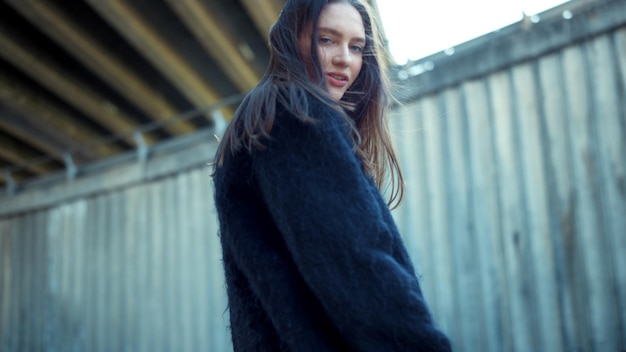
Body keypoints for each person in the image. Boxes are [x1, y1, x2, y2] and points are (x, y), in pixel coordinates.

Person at [212, 0, 452, 350]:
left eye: (356, 47)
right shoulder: (296, 113)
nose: (345, 59)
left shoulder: (262, 121)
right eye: (327, 40)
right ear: (292, 41)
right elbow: (359, 264)